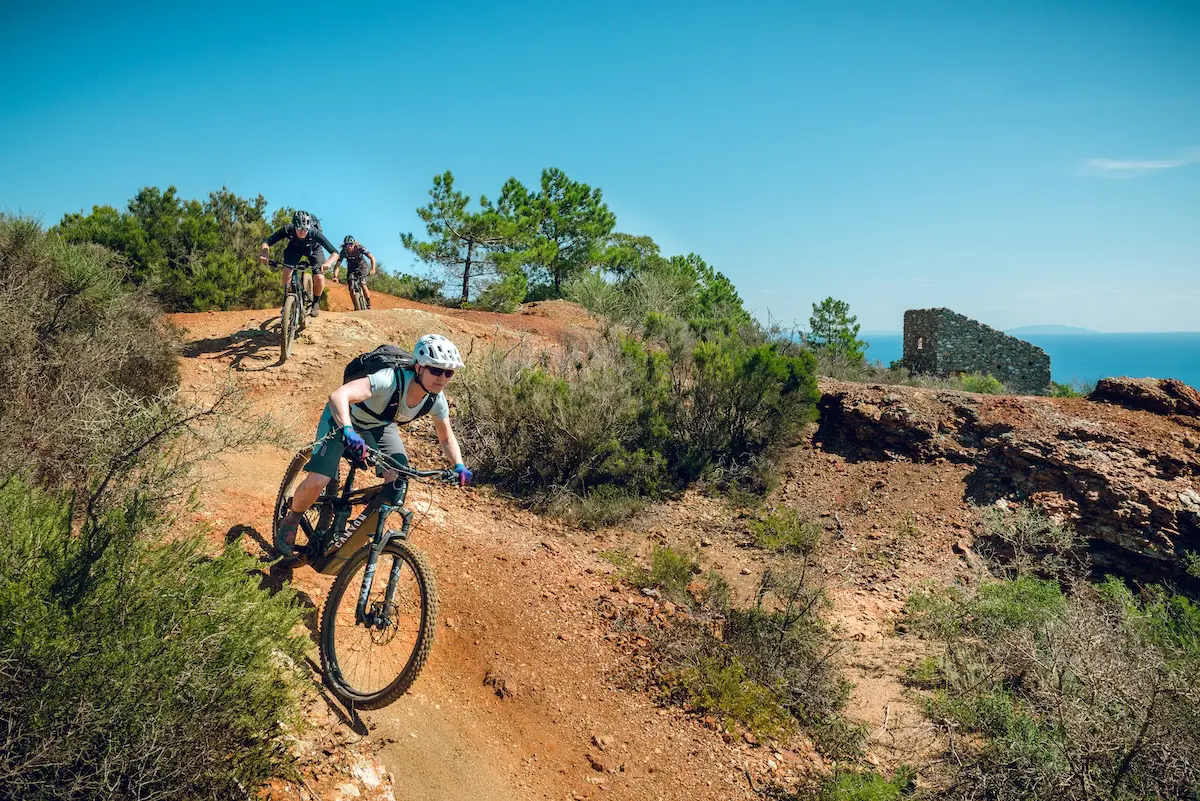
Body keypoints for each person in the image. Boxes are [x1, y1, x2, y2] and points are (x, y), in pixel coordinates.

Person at [275, 333, 472, 557]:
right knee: (320, 479)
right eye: (436, 370)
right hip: (343, 418)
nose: (443, 378)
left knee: (398, 482)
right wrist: (347, 430)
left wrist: (459, 465)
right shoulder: (389, 379)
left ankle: (356, 539)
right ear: (419, 367)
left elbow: (445, 438)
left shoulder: (436, 399)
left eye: (449, 372)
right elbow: (339, 395)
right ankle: (291, 520)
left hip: (378, 425)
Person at [259, 210, 340, 318]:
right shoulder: (288, 229)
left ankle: (315, 303)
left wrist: (328, 263)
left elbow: (335, 252)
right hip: (294, 250)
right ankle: (287, 298)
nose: (302, 232)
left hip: (314, 250)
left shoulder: (314, 232)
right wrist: (265, 254)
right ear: (294, 226)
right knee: (287, 270)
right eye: (299, 229)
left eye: (305, 229)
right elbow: (267, 241)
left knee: (319, 277)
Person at [334, 235, 377, 309]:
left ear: (354, 244)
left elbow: (372, 257)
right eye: (347, 245)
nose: (349, 247)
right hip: (351, 268)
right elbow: (337, 265)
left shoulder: (360, 248)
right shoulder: (343, 252)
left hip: (362, 266)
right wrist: (335, 276)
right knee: (351, 288)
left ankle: (369, 304)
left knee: (363, 284)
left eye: (350, 244)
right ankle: (356, 306)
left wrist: (373, 269)